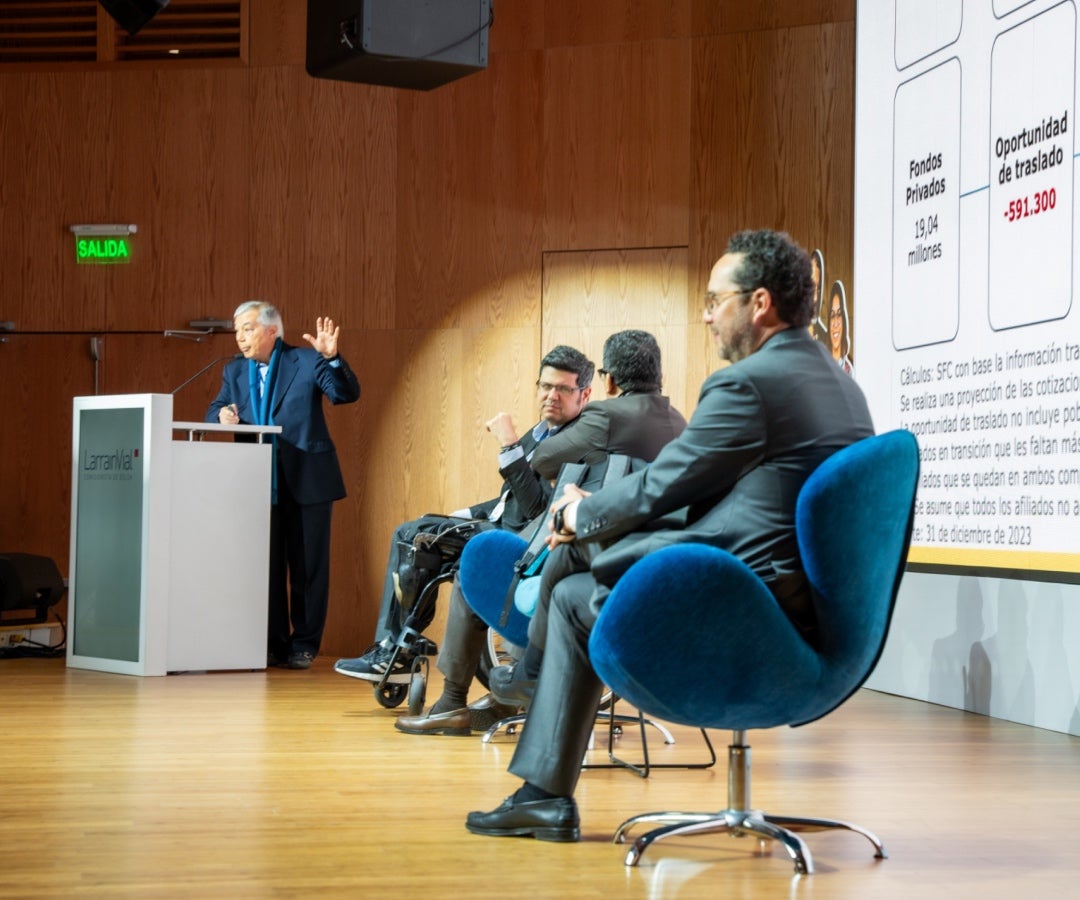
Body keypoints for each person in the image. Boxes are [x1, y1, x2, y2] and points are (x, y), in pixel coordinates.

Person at [464, 229, 875, 842]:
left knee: (574, 564)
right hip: (806, 604)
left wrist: (582, 514)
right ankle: (540, 774)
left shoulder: (750, 383)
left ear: (759, 303)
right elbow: (712, 486)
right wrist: (596, 511)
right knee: (578, 573)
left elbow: (666, 487)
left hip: (745, 602)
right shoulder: (841, 384)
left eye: (716, 300)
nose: (706, 314)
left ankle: (531, 709)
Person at [394, 329, 688, 735]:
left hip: (581, 575)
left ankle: (454, 702)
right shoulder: (678, 422)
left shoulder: (605, 417)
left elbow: (544, 462)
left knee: (472, 570)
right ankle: (504, 696)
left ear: (608, 382)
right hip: (645, 578)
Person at [332, 345, 595, 689]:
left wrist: (510, 446)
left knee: (418, 536)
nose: (551, 396)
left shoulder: (579, 442)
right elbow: (511, 498)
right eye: (545, 386)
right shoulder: (540, 432)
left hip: (519, 542)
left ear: (585, 394)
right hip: (497, 525)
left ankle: (396, 651)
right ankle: (396, 647)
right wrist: (468, 512)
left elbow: (537, 510)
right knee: (413, 535)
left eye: (563, 388)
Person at [206, 301, 360, 670]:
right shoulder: (234, 372)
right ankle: (273, 643)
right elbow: (215, 410)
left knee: (308, 569)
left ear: (272, 331)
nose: (240, 338)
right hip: (257, 484)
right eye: (237, 331)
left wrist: (333, 358)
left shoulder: (306, 361)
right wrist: (222, 416)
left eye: (247, 329)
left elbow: (345, 394)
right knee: (267, 567)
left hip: (308, 479)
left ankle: (304, 644)